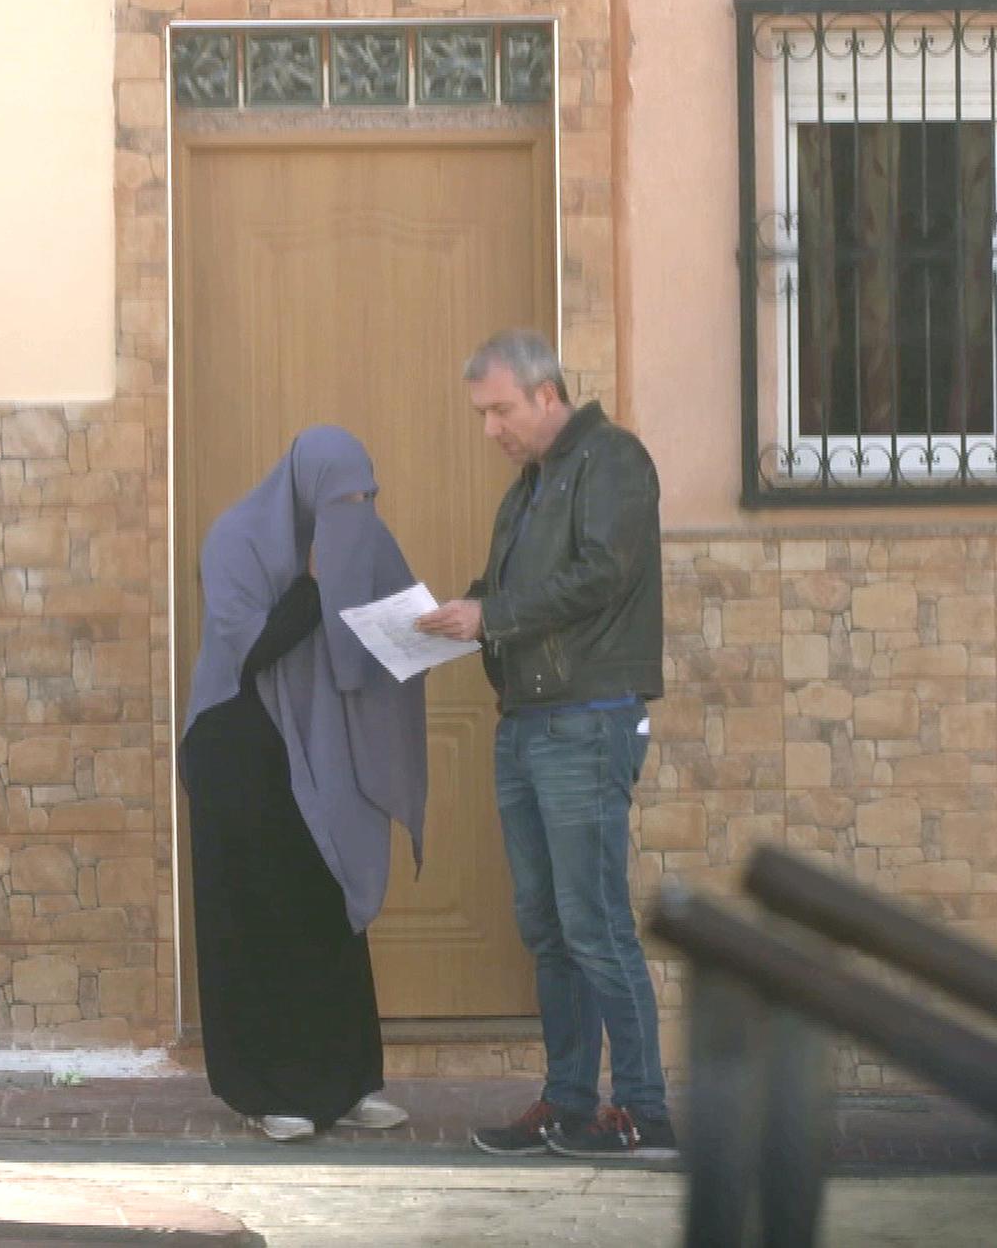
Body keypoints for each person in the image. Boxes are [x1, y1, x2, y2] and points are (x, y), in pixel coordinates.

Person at [416, 329, 675, 1160]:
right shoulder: (528, 488)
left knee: (595, 922)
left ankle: (641, 1111)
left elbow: (603, 572)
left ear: (546, 395)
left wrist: (494, 615)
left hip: (586, 720)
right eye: (481, 414)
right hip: (525, 724)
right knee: (549, 928)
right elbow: (515, 589)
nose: (490, 429)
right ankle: (568, 1103)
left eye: (499, 411)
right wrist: (462, 611)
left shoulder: (613, 462)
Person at [182, 426, 427, 1142]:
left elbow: (392, 630)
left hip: (320, 745)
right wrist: (312, 585)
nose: (355, 512)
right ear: (305, 493)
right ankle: (264, 1089)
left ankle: (347, 1083)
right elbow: (246, 647)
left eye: (365, 499)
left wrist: (440, 627)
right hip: (238, 744)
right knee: (258, 917)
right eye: (341, 499)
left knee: (329, 903)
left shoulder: (362, 542)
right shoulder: (236, 541)